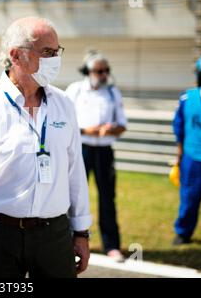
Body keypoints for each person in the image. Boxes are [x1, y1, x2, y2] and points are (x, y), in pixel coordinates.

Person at [0, 17, 91, 278]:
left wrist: (81, 231)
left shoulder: (64, 104)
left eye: (57, 51)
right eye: (47, 52)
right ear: (16, 55)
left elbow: (75, 171)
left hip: (54, 234)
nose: (55, 59)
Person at [66, 50, 127, 262]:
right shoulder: (75, 91)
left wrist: (111, 129)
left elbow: (122, 126)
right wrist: (87, 130)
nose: (103, 75)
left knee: (107, 198)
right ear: (88, 71)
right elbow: (66, 123)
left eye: (106, 71)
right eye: (99, 71)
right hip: (81, 148)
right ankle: (66, 240)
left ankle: (112, 245)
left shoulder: (113, 92)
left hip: (104, 151)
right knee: (71, 196)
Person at [172, 53, 201, 245]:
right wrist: (179, 158)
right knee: (189, 200)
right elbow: (179, 129)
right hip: (193, 160)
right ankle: (183, 232)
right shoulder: (188, 98)